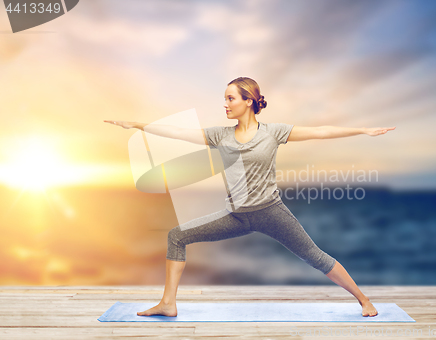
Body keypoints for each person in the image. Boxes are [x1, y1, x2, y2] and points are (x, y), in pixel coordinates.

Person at [104, 77, 395, 318]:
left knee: (315, 257)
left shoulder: (273, 132)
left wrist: (363, 130)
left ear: (249, 101)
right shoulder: (220, 135)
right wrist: (138, 124)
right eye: (225, 98)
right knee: (177, 236)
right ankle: (168, 304)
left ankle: (364, 300)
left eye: (231, 98)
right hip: (236, 216)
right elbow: (178, 132)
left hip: (271, 212)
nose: (225, 104)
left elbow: (320, 131)